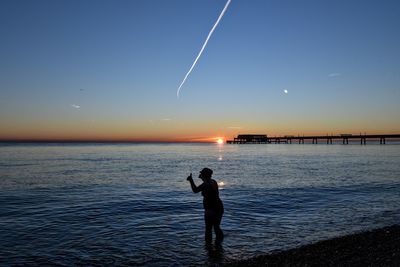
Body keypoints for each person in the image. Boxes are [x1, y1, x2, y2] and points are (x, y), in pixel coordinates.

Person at [187, 167, 224, 244]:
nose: (200, 175)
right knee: (216, 227)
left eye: (201, 174)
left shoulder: (205, 184)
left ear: (204, 175)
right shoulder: (214, 181)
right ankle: (220, 244)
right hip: (219, 207)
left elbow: (195, 190)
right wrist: (202, 178)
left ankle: (208, 247)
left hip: (211, 209)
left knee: (208, 228)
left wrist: (191, 180)